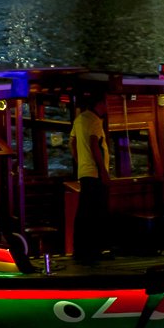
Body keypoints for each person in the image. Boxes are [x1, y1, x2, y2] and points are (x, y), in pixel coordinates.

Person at [69, 92, 110, 264]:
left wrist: (80, 162)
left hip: (84, 172)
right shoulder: (95, 121)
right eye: (105, 104)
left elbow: (71, 142)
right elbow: (95, 144)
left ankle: (80, 251)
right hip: (94, 174)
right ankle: (93, 252)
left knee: (83, 214)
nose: (107, 108)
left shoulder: (79, 119)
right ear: (99, 104)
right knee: (95, 214)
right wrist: (103, 171)